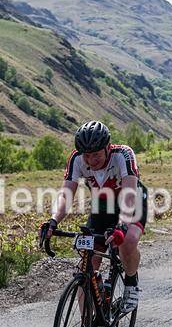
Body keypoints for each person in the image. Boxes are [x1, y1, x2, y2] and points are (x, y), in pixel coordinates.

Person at [40, 121, 148, 314]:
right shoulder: (77, 159)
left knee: (128, 242)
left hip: (132, 202)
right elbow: (66, 195)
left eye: (96, 154)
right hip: (102, 207)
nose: (91, 160)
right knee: (86, 266)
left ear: (107, 148)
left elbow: (130, 194)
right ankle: (86, 326)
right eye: (87, 155)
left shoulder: (123, 155)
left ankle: (131, 284)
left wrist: (122, 225)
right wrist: (53, 221)